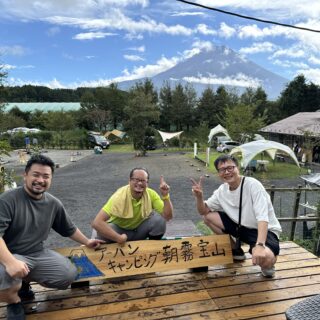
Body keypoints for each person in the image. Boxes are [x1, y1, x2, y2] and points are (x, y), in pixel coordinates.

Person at [0, 154, 104, 320]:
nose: (40, 180)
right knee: (4, 273)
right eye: (36, 174)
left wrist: (87, 241)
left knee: (67, 275)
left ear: (51, 179)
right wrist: (11, 262)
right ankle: (14, 302)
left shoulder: (53, 203)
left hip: (36, 253)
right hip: (7, 255)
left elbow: (68, 228)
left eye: (46, 176)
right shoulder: (7, 200)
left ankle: (23, 282)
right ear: (25, 175)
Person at [191, 154, 282, 278]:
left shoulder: (253, 185)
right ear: (218, 173)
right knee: (207, 217)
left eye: (230, 168)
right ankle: (236, 250)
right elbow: (203, 211)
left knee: (266, 259)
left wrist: (260, 245)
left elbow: (262, 217)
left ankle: (268, 264)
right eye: (222, 170)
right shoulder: (222, 190)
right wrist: (199, 197)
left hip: (263, 230)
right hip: (240, 227)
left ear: (237, 167)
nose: (227, 172)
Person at [92, 167, 173, 244]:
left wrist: (165, 196)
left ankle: (150, 249)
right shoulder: (119, 196)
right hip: (120, 231)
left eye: (143, 180)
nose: (140, 183)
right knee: (101, 233)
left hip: (139, 231)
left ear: (147, 183)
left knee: (159, 221)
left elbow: (167, 216)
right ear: (129, 181)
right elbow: (97, 223)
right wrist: (118, 238)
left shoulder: (151, 194)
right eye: (136, 180)